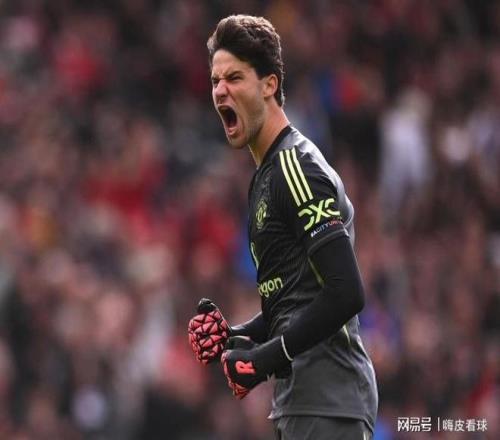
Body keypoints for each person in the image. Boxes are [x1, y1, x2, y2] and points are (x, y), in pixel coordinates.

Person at [188, 15, 378, 440]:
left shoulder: (296, 168)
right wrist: (237, 337)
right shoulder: (265, 178)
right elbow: (294, 298)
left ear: (269, 85)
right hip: (301, 403)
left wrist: (264, 361)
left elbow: (346, 291)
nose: (220, 90)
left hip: (329, 402)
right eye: (215, 81)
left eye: (234, 78)